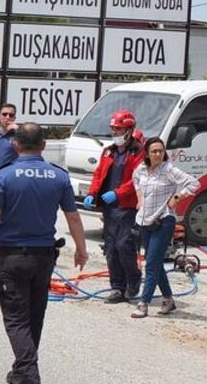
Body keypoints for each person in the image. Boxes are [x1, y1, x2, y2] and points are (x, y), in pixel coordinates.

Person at [0, 122, 89, 384]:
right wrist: (81, 249)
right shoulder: (59, 176)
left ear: (14, 144)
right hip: (43, 257)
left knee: (16, 319)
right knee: (34, 316)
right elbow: (73, 218)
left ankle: (29, 374)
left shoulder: (5, 175)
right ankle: (21, 372)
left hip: (13, 255)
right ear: (43, 145)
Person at [130, 137, 200, 318]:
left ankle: (144, 303)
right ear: (147, 153)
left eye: (161, 151)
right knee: (156, 263)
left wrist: (176, 198)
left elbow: (194, 183)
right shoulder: (142, 169)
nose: (158, 154)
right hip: (145, 221)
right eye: (154, 151)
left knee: (151, 263)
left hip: (163, 221)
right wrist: (139, 200)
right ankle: (168, 300)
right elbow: (136, 181)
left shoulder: (169, 169)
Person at [82, 109, 145, 304]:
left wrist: (117, 193)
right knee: (111, 249)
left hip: (128, 207)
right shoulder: (108, 151)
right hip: (110, 209)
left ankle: (133, 282)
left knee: (124, 246)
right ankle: (117, 287)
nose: (115, 133)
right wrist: (92, 193)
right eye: (113, 130)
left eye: (118, 130)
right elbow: (99, 174)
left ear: (129, 129)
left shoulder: (138, 152)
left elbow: (138, 179)